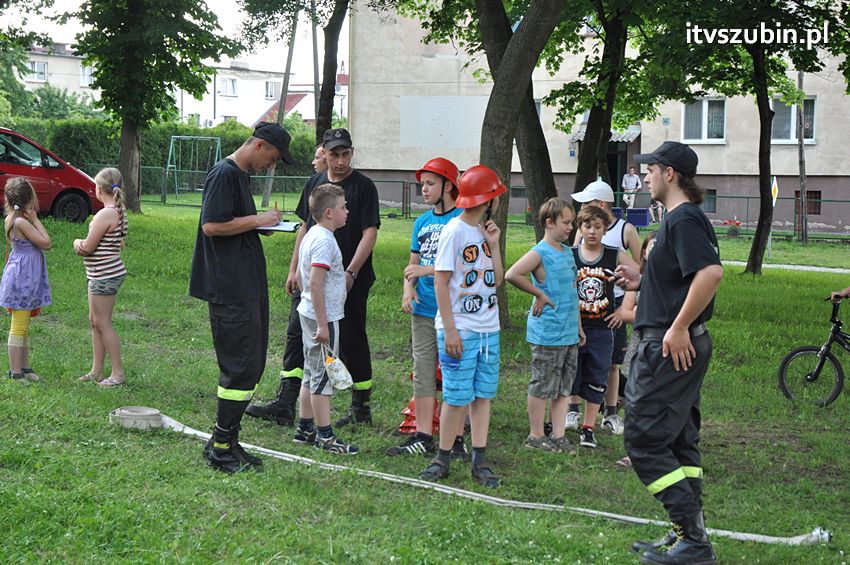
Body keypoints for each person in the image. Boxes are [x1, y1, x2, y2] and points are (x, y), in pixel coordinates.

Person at [615, 141, 723, 565]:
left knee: (642, 439)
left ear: (670, 174)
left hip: (670, 345)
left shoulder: (684, 219)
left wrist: (678, 327)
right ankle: (687, 535)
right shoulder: (677, 221)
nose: (644, 175)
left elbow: (711, 274)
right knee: (678, 440)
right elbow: (681, 275)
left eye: (650, 169)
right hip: (670, 340)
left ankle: (694, 542)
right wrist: (641, 278)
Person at [246, 128, 380, 429]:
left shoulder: (364, 187)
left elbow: (369, 232)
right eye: (334, 154)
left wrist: (351, 273)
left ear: (351, 153)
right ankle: (285, 401)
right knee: (297, 334)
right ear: (326, 154)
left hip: (347, 279)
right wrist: (294, 269)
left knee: (351, 338)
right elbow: (304, 228)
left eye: (346, 154)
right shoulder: (315, 182)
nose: (341, 161)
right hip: (311, 279)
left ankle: (362, 406)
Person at [189, 122, 292, 473]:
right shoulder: (225, 174)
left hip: (245, 283)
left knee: (251, 364)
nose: (271, 165)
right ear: (259, 145)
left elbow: (233, 222)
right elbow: (212, 226)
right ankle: (221, 448)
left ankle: (228, 440)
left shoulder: (241, 176)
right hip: (229, 286)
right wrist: (257, 219)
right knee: (239, 367)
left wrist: (260, 224)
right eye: (273, 157)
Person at [418, 164, 504, 488]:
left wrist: (494, 244)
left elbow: (495, 281)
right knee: (456, 396)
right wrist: (450, 330)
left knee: (482, 396)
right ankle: (442, 458)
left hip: (487, 330)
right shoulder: (454, 230)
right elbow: (441, 284)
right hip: (460, 330)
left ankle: (479, 459)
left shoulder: (485, 231)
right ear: (489, 199)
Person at [387, 157, 466, 457]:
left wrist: (425, 272)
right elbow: (412, 264)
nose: (424, 189)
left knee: (454, 372)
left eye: (431, 184)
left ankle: (456, 437)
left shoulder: (461, 220)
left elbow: (462, 267)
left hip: (452, 312)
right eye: (422, 184)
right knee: (422, 371)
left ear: (448, 185)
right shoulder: (421, 223)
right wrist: (408, 288)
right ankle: (422, 435)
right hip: (423, 311)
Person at [506, 197, 584, 454]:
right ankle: (536, 435)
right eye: (566, 222)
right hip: (548, 334)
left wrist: (579, 327)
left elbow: (573, 292)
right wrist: (539, 294)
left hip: (569, 332)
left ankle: (558, 434)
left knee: (563, 387)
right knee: (542, 385)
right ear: (549, 223)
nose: (571, 227)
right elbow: (512, 274)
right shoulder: (539, 252)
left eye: (572, 222)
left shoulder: (568, 253)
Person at [292, 183, 360, 454]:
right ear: (329, 212)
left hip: (309, 311)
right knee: (323, 377)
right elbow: (316, 283)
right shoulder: (324, 240)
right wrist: (323, 324)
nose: (347, 212)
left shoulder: (312, 234)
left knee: (311, 373)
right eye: (343, 207)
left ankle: (304, 427)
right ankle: (325, 436)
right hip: (324, 317)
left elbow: (300, 276)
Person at [569, 180, 641, 436]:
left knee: (610, 362)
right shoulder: (582, 229)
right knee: (578, 358)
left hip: (615, 305)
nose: (583, 212)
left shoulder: (626, 230)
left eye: (587, 203)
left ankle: (610, 413)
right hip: (583, 307)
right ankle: (573, 408)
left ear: (601, 204)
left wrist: (626, 303)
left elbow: (639, 268)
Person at [73, 168, 128, 387]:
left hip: (104, 276)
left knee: (103, 323)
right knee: (94, 321)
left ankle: (117, 374)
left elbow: (87, 247)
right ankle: (96, 371)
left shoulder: (105, 214)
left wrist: (76, 242)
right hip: (101, 275)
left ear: (98, 188)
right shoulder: (117, 211)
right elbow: (119, 242)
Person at [0, 177, 51, 382]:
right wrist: (36, 220)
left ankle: (25, 367)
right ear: (28, 199)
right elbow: (46, 243)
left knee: (23, 326)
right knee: (19, 326)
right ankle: (16, 371)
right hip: (23, 281)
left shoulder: (12, 218)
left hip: (23, 278)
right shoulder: (21, 222)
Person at [614, 231, 657, 469]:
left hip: (663, 347)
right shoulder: (639, 278)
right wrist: (653, 313)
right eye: (649, 247)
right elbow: (626, 313)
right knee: (635, 401)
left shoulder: (672, 280)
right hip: (640, 345)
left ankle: (657, 448)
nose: (652, 252)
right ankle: (634, 451)